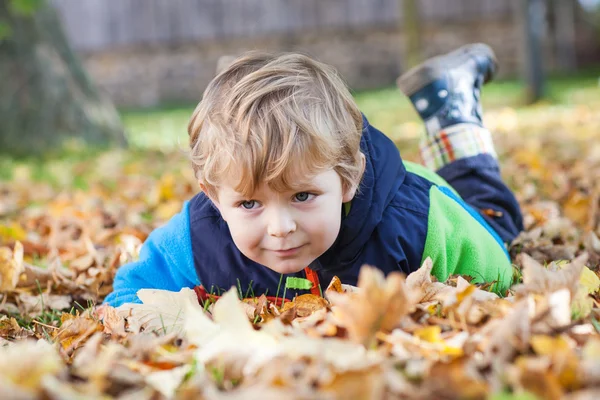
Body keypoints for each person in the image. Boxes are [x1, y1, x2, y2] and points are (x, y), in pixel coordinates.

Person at [104, 44, 523, 307]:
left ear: (347, 180)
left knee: (497, 218)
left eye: (302, 196)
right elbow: (129, 295)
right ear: (215, 197)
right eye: (249, 203)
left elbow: (495, 273)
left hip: (423, 193)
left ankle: (453, 110)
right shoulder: (200, 237)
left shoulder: (417, 225)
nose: (280, 228)